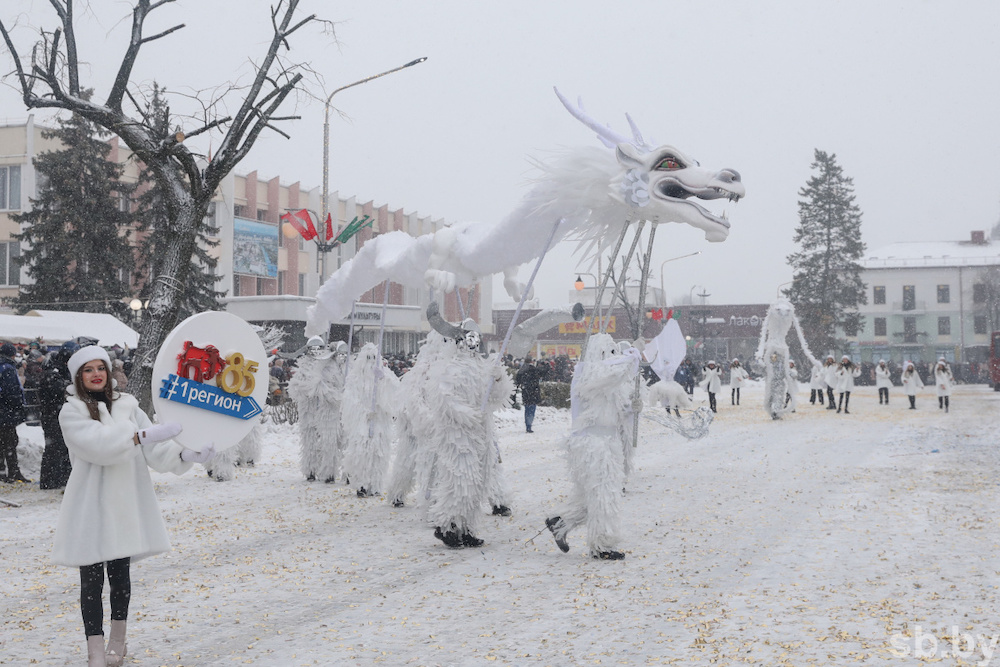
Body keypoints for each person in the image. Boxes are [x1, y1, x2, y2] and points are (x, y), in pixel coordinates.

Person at [52, 345, 215, 667]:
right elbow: (98, 446)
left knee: (120, 575)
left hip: (125, 503)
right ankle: (95, 650)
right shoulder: (71, 411)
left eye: (101, 367)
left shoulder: (128, 406)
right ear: (78, 376)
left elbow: (154, 449)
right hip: (90, 506)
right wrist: (140, 436)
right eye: (88, 369)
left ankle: (118, 641)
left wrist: (184, 455)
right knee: (91, 579)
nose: (96, 374)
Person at [546, 333, 642, 561]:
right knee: (603, 495)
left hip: (607, 442)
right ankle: (602, 545)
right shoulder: (586, 374)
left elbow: (616, 411)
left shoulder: (612, 382)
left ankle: (561, 522)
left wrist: (632, 408)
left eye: (612, 352)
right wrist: (632, 357)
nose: (609, 357)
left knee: (594, 495)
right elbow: (610, 375)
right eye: (604, 353)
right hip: (591, 444)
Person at [287, 336, 347, 483]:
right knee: (310, 441)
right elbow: (295, 388)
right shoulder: (305, 367)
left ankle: (329, 472)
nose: (315, 352)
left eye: (318, 348)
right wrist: (309, 388)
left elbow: (338, 385)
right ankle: (311, 470)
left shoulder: (330, 365)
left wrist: (328, 393)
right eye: (312, 349)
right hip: (309, 410)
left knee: (329, 441)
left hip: (328, 411)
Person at [38, 340, 80, 489]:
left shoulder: (60, 370)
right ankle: (50, 480)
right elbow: (60, 390)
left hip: (56, 415)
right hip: (52, 416)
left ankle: (61, 477)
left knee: (62, 447)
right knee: (54, 448)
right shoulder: (53, 373)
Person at [0, 341, 28, 483]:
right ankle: (13, 472)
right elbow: (12, 392)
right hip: (6, 412)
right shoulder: (8, 368)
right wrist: (18, 406)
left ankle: (2, 472)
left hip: (2, 410)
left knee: (2, 442)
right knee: (10, 442)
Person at [515, 357, 548, 433]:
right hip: (533, 391)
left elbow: (517, 381)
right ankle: (529, 425)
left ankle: (527, 424)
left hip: (525, 391)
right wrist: (545, 365)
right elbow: (544, 372)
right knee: (532, 408)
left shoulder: (521, 370)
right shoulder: (533, 369)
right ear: (531, 362)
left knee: (527, 408)